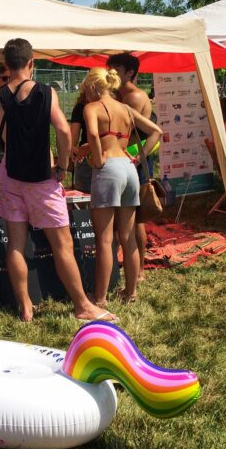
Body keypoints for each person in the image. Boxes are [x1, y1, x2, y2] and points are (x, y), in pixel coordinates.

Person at [0, 38, 115, 323]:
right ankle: (82, 305)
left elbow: (7, 136)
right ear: (31, 62)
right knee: (62, 244)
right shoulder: (46, 92)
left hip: (10, 173)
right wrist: (62, 165)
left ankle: (25, 307)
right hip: (42, 176)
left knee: (16, 244)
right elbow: (64, 131)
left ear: (6, 65)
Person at [82, 68, 162, 305]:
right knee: (128, 238)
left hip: (108, 171)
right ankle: (131, 292)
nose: (84, 93)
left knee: (105, 239)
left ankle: (100, 298)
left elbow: (95, 135)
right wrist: (139, 157)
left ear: (94, 87)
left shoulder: (92, 108)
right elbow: (156, 131)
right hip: (128, 169)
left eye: (85, 87)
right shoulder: (125, 108)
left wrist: (97, 159)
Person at [106, 52, 154, 278]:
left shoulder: (134, 97)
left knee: (136, 220)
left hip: (133, 160)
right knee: (123, 217)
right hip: (123, 159)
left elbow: (131, 134)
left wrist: (135, 157)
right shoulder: (118, 94)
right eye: (110, 69)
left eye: (116, 70)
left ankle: (141, 269)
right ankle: (124, 266)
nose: (111, 74)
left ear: (130, 73)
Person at [70, 86, 92, 193]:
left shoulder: (81, 107)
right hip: (112, 157)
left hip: (85, 156)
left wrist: (73, 150)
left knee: (84, 198)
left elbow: (72, 140)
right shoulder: (116, 105)